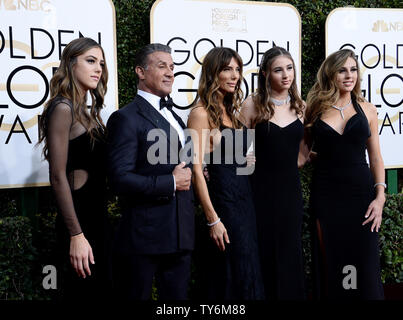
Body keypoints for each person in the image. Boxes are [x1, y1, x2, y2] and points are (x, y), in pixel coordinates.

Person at [106, 43, 194, 300]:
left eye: (172, 67)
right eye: (161, 66)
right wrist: (170, 182)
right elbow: (119, 178)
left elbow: (178, 165)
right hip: (145, 238)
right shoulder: (126, 118)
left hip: (181, 236)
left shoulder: (176, 117)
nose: (170, 73)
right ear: (140, 72)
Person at [305, 49, 385, 299]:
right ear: (331, 74)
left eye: (353, 69)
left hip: (361, 196)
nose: (349, 75)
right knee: (332, 261)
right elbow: (303, 154)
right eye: (342, 70)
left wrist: (380, 197)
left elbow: (375, 158)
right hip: (326, 195)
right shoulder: (314, 109)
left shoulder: (367, 109)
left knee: (363, 263)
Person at [187, 47, 264, 300]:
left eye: (238, 69)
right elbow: (196, 170)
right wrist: (213, 219)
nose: (234, 75)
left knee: (249, 272)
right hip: (224, 207)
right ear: (212, 73)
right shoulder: (200, 114)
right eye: (227, 69)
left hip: (247, 203)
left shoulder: (233, 111)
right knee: (230, 276)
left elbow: (247, 162)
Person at [38, 37, 111, 299]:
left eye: (101, 63)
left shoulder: (86, 111)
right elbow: (57, 177)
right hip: (79, 223)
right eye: (90, 61)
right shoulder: (62, 107)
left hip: (98, 219)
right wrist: (76, 234)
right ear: (70, 64)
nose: (98, 69)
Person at [240, 46, 307, 300]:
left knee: (291, 253)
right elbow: (238, 157)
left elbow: (302, 154)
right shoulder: (251, 105)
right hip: (259, 193)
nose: (286, 75)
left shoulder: (302, 106)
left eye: (289, 68)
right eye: (278, 70)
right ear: (266, 73)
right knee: (263, 252)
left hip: (290, 193)